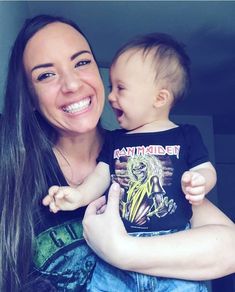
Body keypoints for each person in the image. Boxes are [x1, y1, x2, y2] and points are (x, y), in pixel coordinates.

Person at [0, 14, 234, 292]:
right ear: (30, 97)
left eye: (82, 62)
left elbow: (228, 247)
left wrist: (122, 251)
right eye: (46, 74)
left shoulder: (138, 153)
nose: (72, 84)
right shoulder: (13, 167)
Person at [43, 33, 217, 291]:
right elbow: (101, 176)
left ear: (159, 98)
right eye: (111, 87)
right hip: (115, 257)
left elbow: (205, 169)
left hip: (172, 253)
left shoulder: (186, 135)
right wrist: (79, 196)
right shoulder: (115, 141)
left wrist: (201, 182)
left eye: (120, 88)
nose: (111, 97)